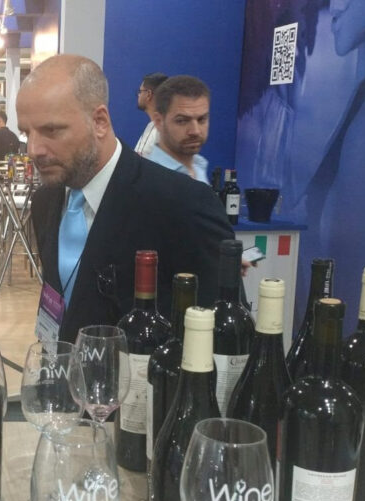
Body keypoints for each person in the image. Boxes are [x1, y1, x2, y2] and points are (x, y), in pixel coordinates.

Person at [18, 55, 233, 343]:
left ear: (99, 122)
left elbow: (224, 330)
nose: (34, 149)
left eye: (51, 130)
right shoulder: (46, 201)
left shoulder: (184, 204)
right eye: (26, 133)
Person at [147, 75, 211, 184]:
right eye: (182, 121)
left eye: (201, 119)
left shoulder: (199, 166)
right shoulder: (150, 179)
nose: (195, 131)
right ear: (158, 121)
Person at [134, 72, 167, 157]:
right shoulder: (150, 126)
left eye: (140, 91)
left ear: (148, 94)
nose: (138, 95)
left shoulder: (164, 130)